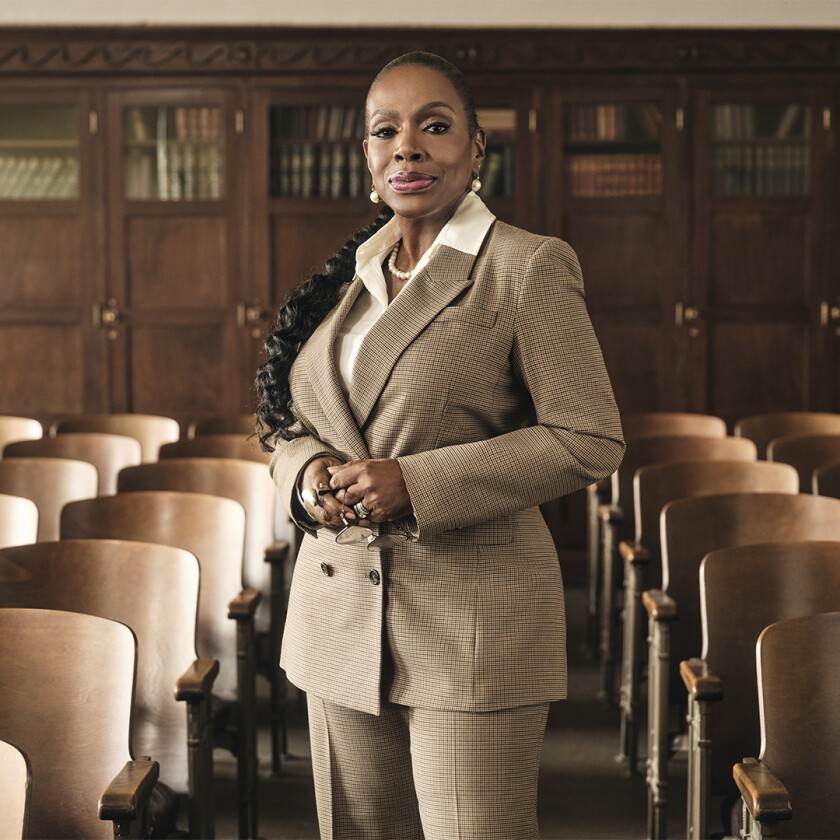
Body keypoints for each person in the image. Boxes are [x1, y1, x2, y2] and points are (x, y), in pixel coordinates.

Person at [256, 50, 624, 840]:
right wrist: (305, 473)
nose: (408, 147)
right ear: (366, 157)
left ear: (476, 146)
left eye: (434, 125)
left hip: (470, 627)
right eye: (385, 130)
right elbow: (295, 425)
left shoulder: (526, 267)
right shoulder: (348, 278)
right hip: (337, 622)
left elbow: (590, 437)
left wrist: (416, 484)